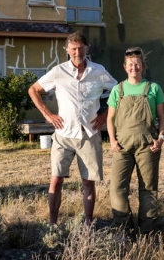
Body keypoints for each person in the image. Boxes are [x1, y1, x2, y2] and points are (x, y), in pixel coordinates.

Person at [28, 31, 117, 225]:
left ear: (87, 49)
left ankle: (87, 224)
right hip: (63, 134)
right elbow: (33, 90)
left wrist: (104, 115)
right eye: (74, 48)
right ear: (67, 50)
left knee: (88, 182)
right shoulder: (58, 71)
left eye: (81, 48)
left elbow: (118, 91)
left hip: (89, 133)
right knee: (56, 180)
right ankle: (52, 224)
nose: (77, 52)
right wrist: (48, 115)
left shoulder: (98, 71)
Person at [106, 47, 164, 235]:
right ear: (125, 67)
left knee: (148, 189)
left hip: (148, 146)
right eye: (131, 64)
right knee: (117, 188)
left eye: (138, 64)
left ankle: (146, 231)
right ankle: (124, 228)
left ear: (143, 66)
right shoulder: (118, 89)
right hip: (122, 146)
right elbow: (110, 118)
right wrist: (112, 141)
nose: (134, 67)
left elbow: (163, 117)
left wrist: (161, 139)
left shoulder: (154, 88)